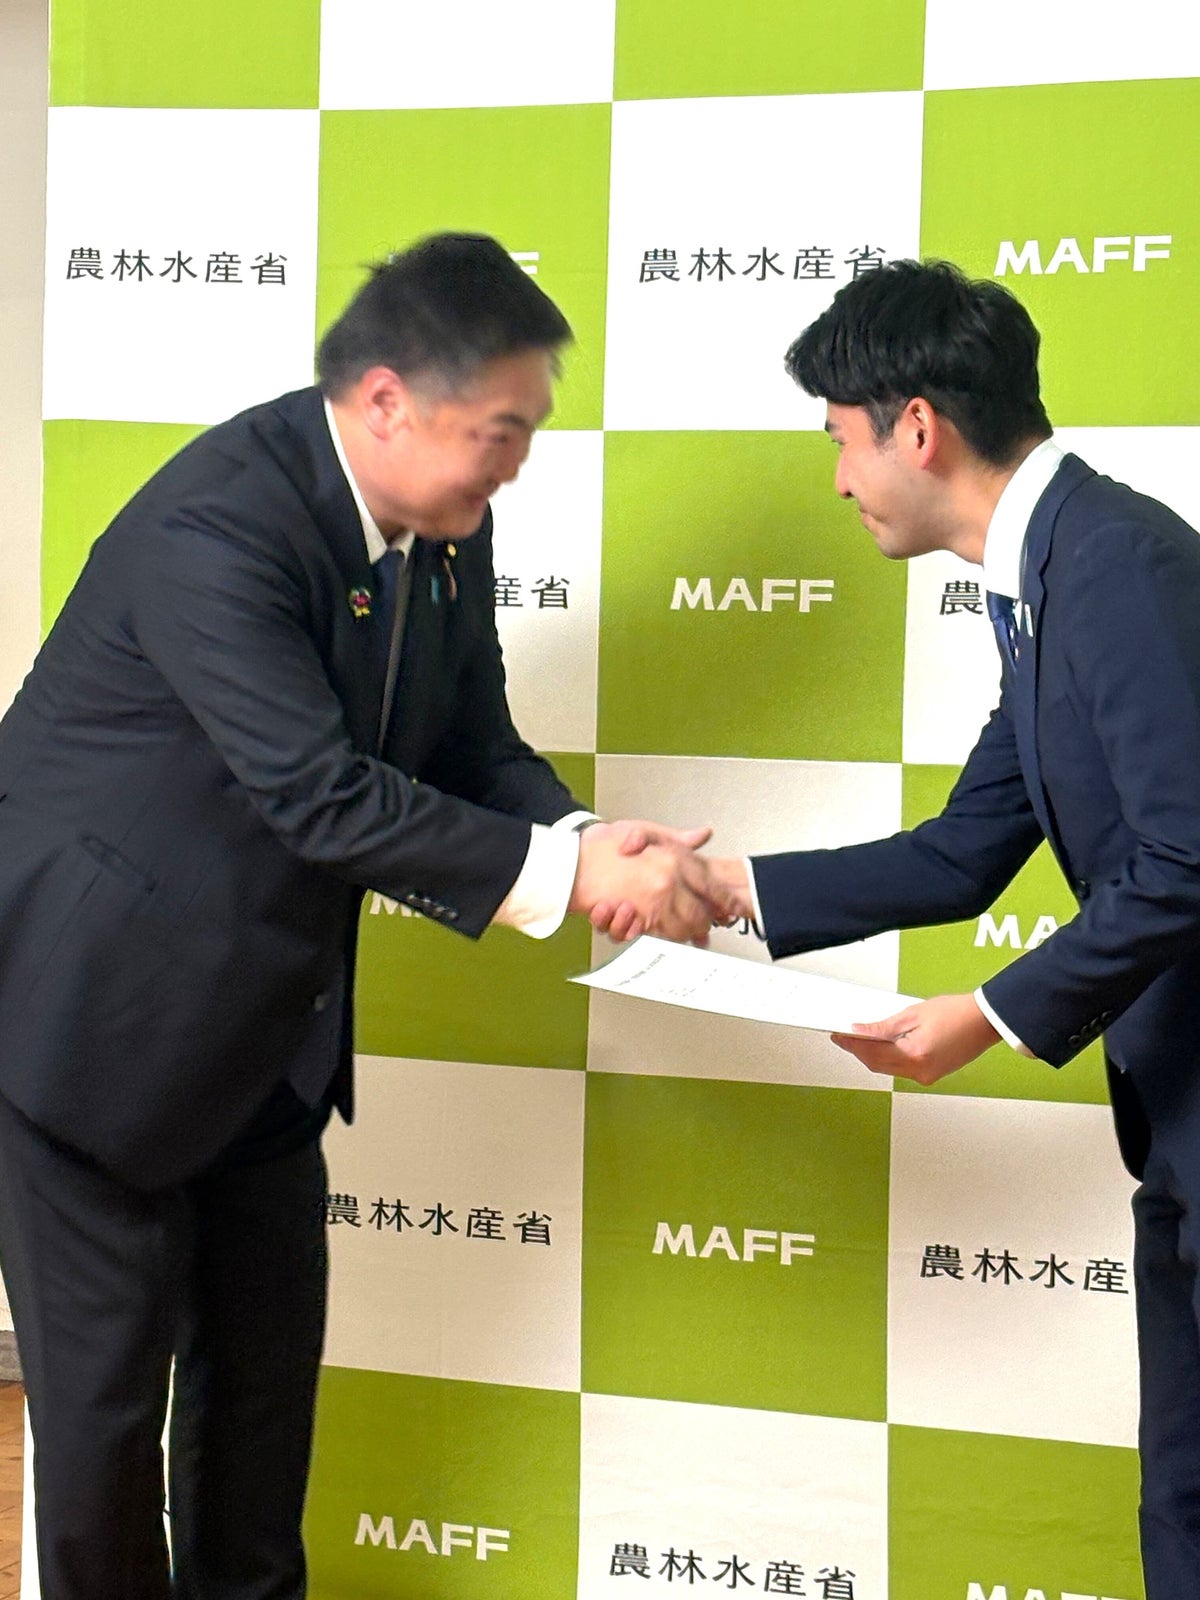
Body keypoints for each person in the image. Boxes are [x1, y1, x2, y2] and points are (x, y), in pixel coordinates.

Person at [0, 231, 726, 1600]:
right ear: (387, 401)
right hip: (93, 1027)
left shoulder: (447, 525)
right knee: (103, 1431)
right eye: (501, 432)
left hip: (265, 1035)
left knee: (263, 1405)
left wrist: (580, 835)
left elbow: (468, 742)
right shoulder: (218, 522)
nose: (517, 465)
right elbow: (321, 796)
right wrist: (574, 884)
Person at [669, 258, 1200, 1597]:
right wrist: (725, 889)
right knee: (1184, 1499)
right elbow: (967, 851)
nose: (839, 481)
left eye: (839, 441)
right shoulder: (1045, 575)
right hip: (1175, 1110)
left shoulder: (1117, 563)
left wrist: (991, 1016)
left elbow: (1189, 855)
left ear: (918, 427)